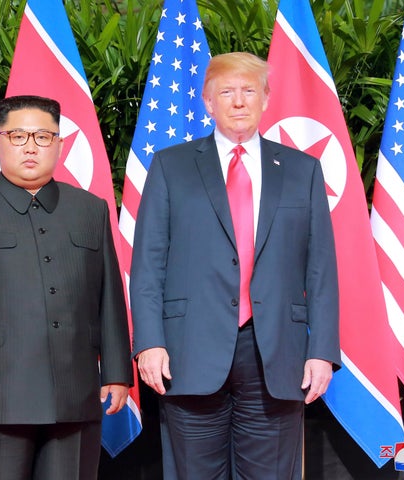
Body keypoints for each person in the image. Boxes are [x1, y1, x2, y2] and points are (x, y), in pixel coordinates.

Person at [130, 52, 340, 479]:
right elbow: (149, 263)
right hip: (188, 350)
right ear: (208, 102)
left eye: (248, 91)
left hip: (276, 353)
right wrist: (149, 341)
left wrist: (322, 352)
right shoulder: (171, 166)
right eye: (227, 92)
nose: (238, 101)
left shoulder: (303, 170)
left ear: (265, 99)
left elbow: (320, 270)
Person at [0, 95, 132, 480]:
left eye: (43, 137)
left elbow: (110, 299)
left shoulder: (91, 209)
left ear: (60, 145)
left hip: (74, 390)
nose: (30, 146)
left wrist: (117, 372)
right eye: (18, 136)